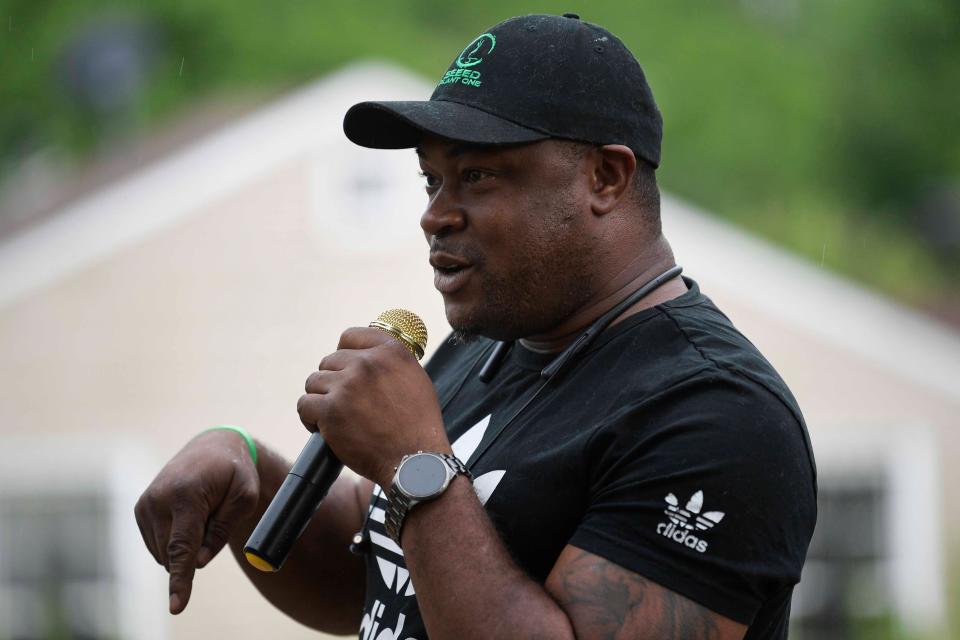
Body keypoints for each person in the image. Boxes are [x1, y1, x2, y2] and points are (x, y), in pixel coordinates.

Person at [135, 13, 816, 640]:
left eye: (479, 175)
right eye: (431, 180)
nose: (436, 214)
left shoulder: (715, 414)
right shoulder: (482, 345)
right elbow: (371, 580)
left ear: (605, 178)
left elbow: (426, 499)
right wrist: (248, 469)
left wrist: (414, 464)